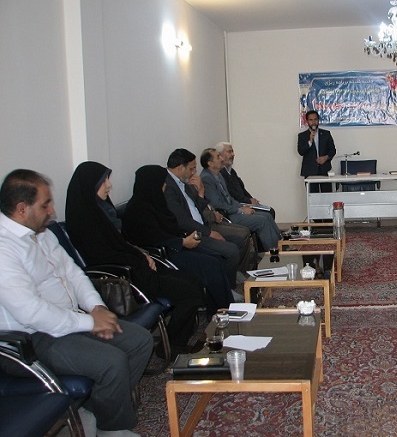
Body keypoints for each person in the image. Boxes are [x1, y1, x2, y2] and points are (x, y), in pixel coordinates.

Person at [0, 169, 153, 437]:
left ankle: (101, 406)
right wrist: (90, 322)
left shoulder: (42, 233)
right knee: (112, 362)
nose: (52, 211)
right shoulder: (4, 249)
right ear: (22, 209)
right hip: (32, 339)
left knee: (140, 340)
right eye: (45, 205)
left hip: (71, 319)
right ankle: (112, 428)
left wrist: (97, 307)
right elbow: (31, 312)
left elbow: (73, 273)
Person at [65, 161, 210, 355]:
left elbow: (121, 243)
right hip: (123, 275)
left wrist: (141, 253)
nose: (109, 185)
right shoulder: (84, 219)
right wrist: (138, 256)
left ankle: (179, 338)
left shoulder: (102, 211)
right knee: (188, 290)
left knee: (193, 280)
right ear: (90, 185)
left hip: (135, 266)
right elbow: (104, 255)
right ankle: (172, 346)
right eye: (104, 181)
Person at [122, 165, 241, 305]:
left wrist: (185, 239)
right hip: (163, 254)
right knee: (210, 265)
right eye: (162, 182)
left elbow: (171, 226)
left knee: (216, 258)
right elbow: (151, 239)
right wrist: (182, 242)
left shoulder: (157, 202)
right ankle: (223, 307)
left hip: (177, 244)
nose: (165, 185)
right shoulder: (137, 210)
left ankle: (221, 305)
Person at [164, 148, 255, 273]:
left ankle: (236, 274)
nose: (194, 172)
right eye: (192, 169)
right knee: (231, 250)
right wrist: (209, 233)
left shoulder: (183, 182)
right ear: (180, 168)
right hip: (191, 234)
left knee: (239, 240)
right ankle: (228, 282)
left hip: (203, 225)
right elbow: (182, 220)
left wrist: (201, 192)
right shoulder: (168, 187)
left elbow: (199, 204)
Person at [200, 148, 281, 250]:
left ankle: (281, 245)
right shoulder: (206, 178)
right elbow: (218, 204)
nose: (221, 159)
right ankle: (273, 251)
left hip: (233, 210)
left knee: (267, 215)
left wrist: (242, 206)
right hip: (226, 215)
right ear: (210, 163)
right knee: (262, 221)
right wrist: (241, 210)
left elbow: (229, 198)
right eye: (218, 156)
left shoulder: (218, 174)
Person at [216, 141, 276, 219]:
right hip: (238, 205)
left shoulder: (231, 171)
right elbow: (231, 193)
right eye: (229, 152)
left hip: (244, 202)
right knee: (268, 213)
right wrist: (248, 201)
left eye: (232, 151)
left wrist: (251, 199)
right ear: (220, 155)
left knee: (270, 210)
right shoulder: (220, 173)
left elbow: (242, 189)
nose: (233, 154)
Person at [297, 110, 337, 193]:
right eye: (311, 120)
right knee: (312, 197)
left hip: (325, 170)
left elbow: (332, 150)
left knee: (327, 196)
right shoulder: (302, 136)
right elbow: (301, 151)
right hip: (310, 171)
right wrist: (310, 141)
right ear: (307, 121)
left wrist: (326, 157)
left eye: (315, 119)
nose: (313, 122)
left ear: (318, 120)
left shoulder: (326, 134)